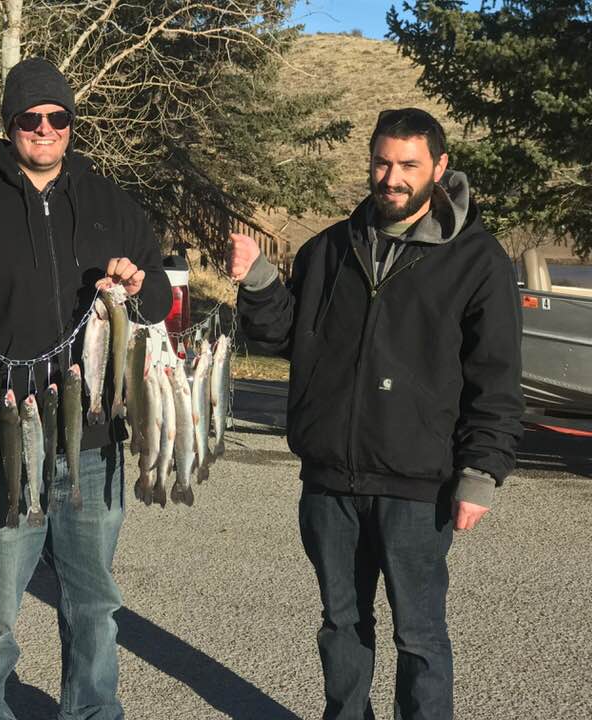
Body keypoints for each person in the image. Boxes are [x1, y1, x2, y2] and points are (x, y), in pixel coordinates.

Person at [0, 57, 171, 719]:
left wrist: (139, 287)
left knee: (95, 607)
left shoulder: (112, 204)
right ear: (8, 125)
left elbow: (158, 302)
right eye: (30, 118)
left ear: (72, 123)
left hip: (95, 440)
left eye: (58, 117)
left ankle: (93, 712)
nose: (45, 129)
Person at [229, 108, 523, 719]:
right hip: (330, 477)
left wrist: (480, 471)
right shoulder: (330, 248)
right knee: (340, 625)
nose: (392, 177)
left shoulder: (479, 261)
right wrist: (258, 280)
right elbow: (282, 336)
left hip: (419, 484)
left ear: (440, 169)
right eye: (382, 162)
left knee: (418, 636)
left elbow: (495, 376)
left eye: (408, 165)